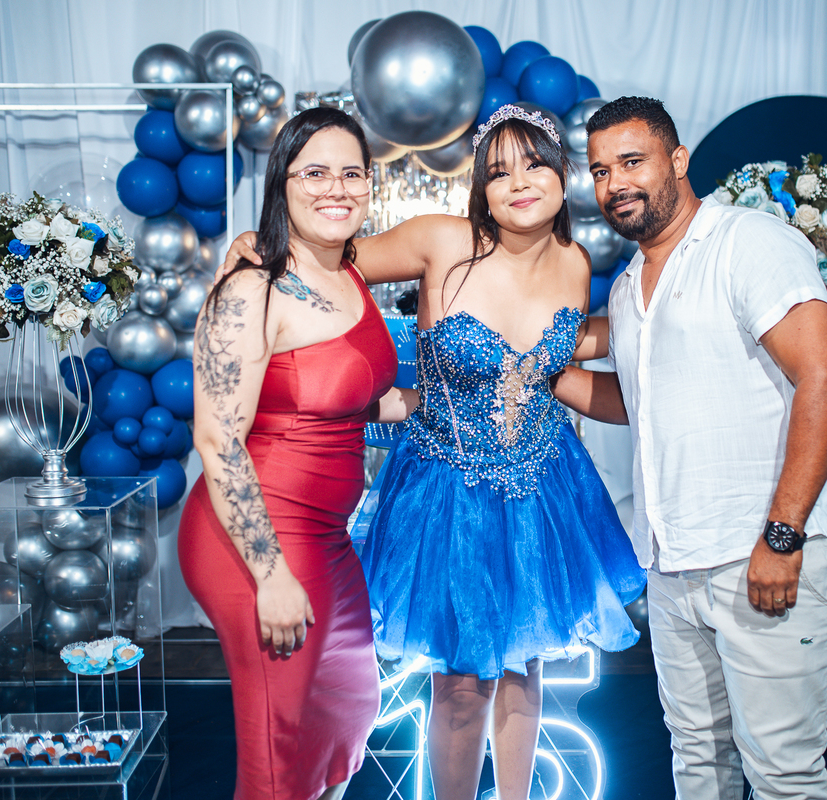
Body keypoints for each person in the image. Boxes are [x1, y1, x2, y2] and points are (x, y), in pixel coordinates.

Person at [221, 104, 645, 800]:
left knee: (524, 671)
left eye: (534, 164)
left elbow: (557, 362)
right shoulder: (441, 240)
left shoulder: (574, 261)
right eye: (499, 172)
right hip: (448, 489)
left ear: (562, 174)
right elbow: (328, 260)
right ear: (481, 188)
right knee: (460, 688)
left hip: (544, 486)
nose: (519, 182)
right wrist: (260, 249)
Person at [553, 96, 827, 800]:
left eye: (633, 161)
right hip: (672, 563)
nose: (615, 183)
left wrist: (782, 536)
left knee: (782, 772)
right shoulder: (629, 285)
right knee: (697, 760)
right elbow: (641, 401)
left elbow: (825, 376)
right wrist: (543, 374)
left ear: (678, 159)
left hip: (758, 552)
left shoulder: (748, 242)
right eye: (601, 171)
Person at [178, 106, 416, 800]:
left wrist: (448, 399)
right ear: (282, 181)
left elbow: (355, 399)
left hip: (327, 540)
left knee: (347, 711)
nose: (335, 188)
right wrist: (270, 575)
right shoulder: (252, 288)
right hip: (257, 540)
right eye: (314, 172)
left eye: (351, 173)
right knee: (278, 749)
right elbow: (217, 438)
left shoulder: (350, 275)